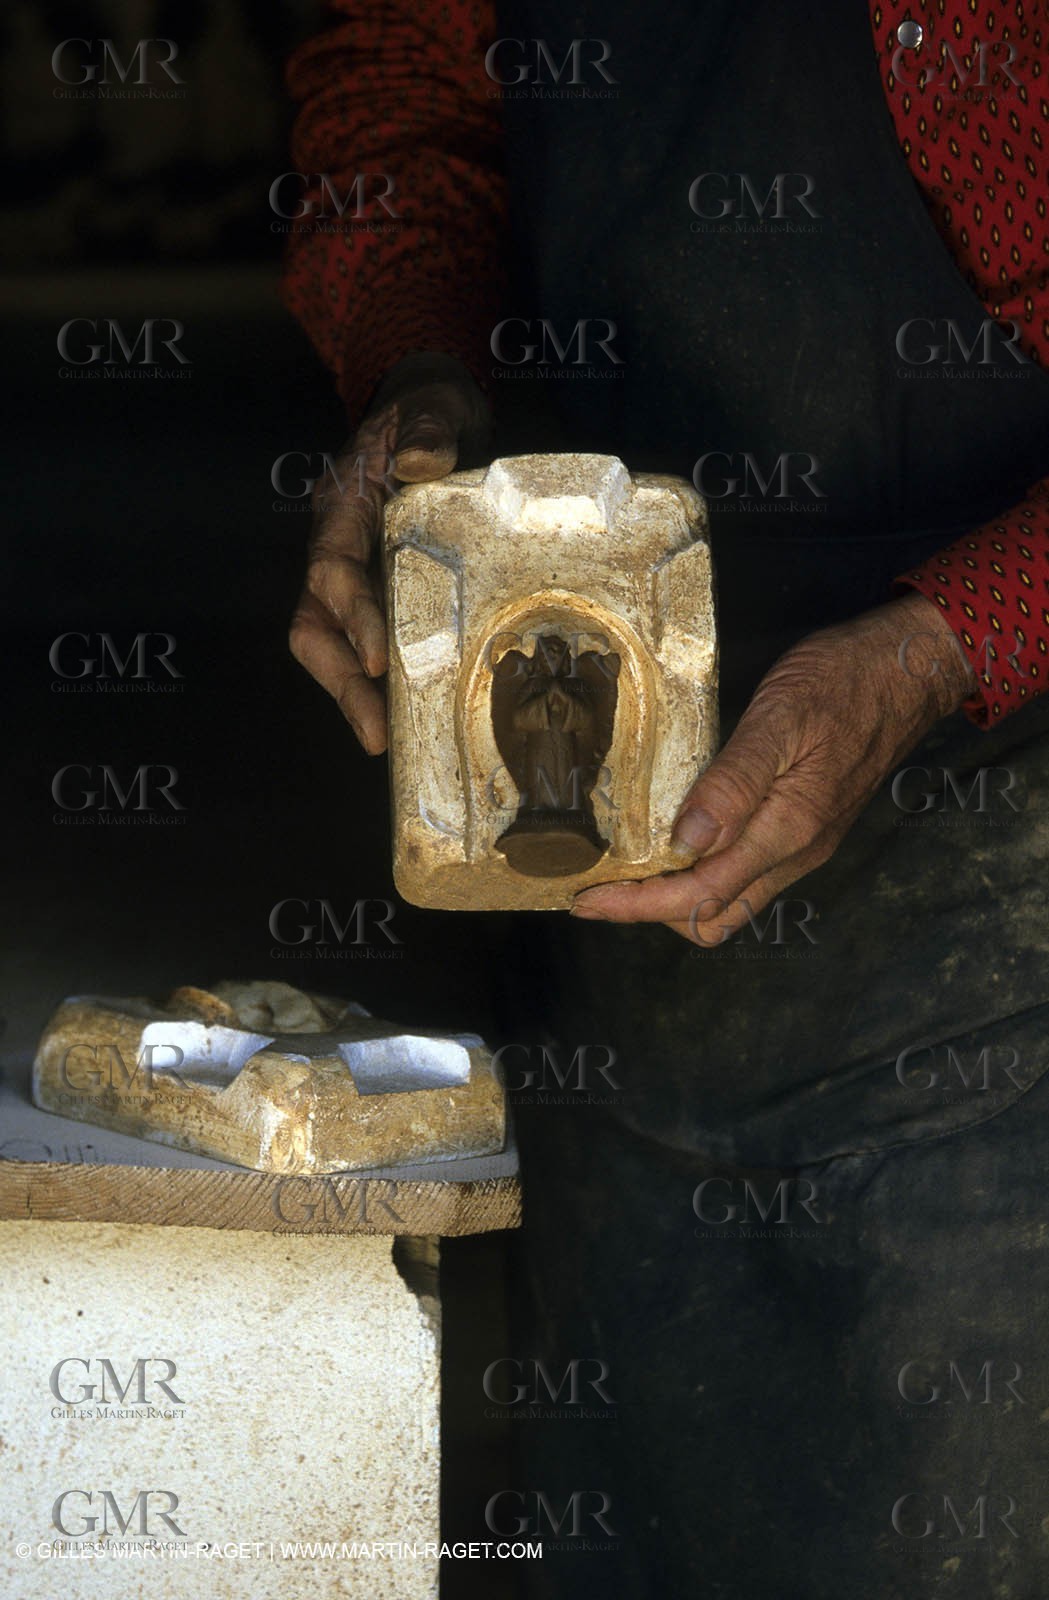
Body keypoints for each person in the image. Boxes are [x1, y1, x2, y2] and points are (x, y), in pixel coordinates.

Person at [282, 3, 1049, 1594]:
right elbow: (400, 102)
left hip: (1005, 932)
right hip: (621, 988)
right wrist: (416, 379)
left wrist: (938, 645)